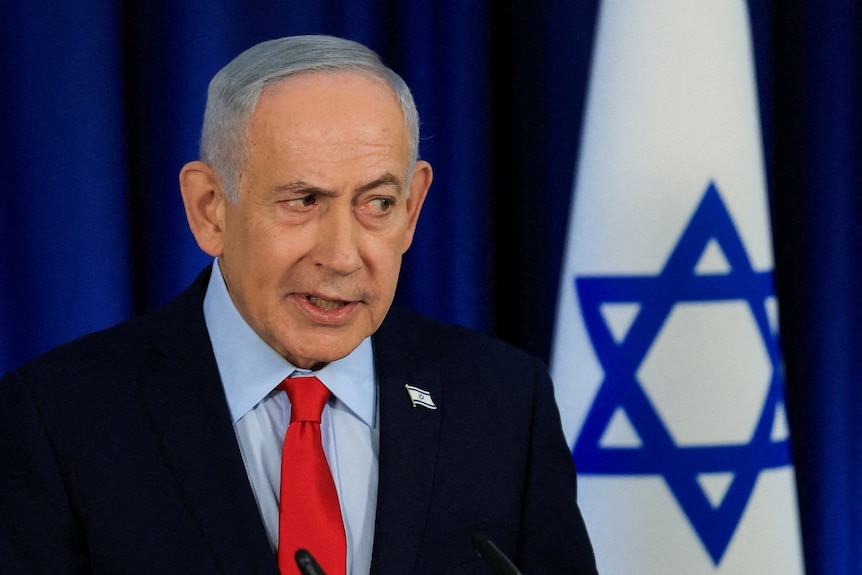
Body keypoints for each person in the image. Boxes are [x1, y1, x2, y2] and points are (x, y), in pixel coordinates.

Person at [0, 35, 597, 574]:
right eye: (303, 200)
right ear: (210, 208)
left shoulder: (501, 401)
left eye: (379, 204)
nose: (342, 256)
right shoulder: (57, 420)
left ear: (413, 206)